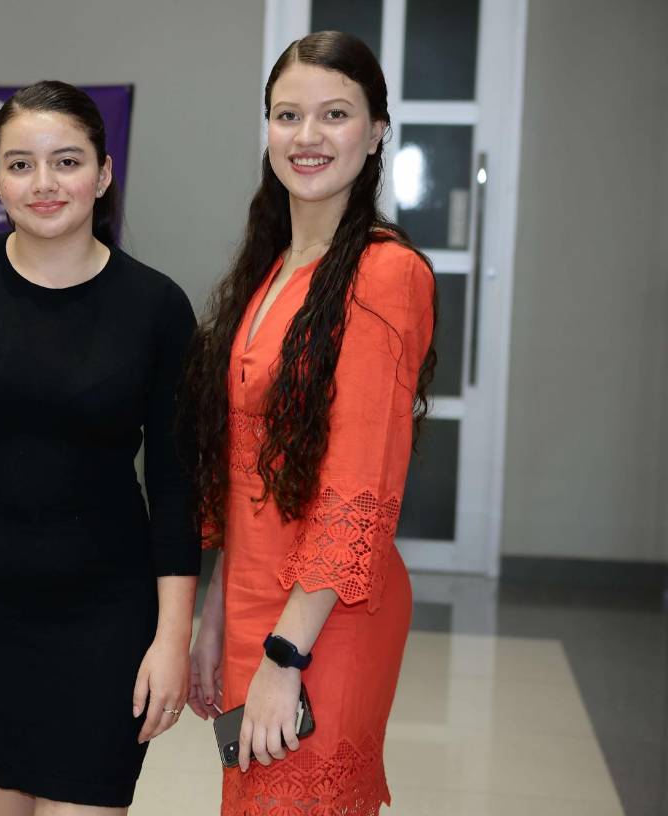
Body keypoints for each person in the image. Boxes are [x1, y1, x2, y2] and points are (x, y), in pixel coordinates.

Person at [0, 80, 200, 815]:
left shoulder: (156, 307)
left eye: (67, 162)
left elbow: (175, 487)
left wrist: (173, 640)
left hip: (104, 620)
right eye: (20, 164)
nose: (44, 184)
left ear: (103, 175)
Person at [182, 32, 437, 815]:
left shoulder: (385, 274)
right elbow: (245, 470)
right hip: (255, 604)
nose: (308, 136)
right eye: (288, 115)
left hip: (325, 619)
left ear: (378, 130)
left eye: (335, 114)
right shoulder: (271, 271)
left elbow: (359, 485)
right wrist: (216, 612)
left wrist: (286, 654)